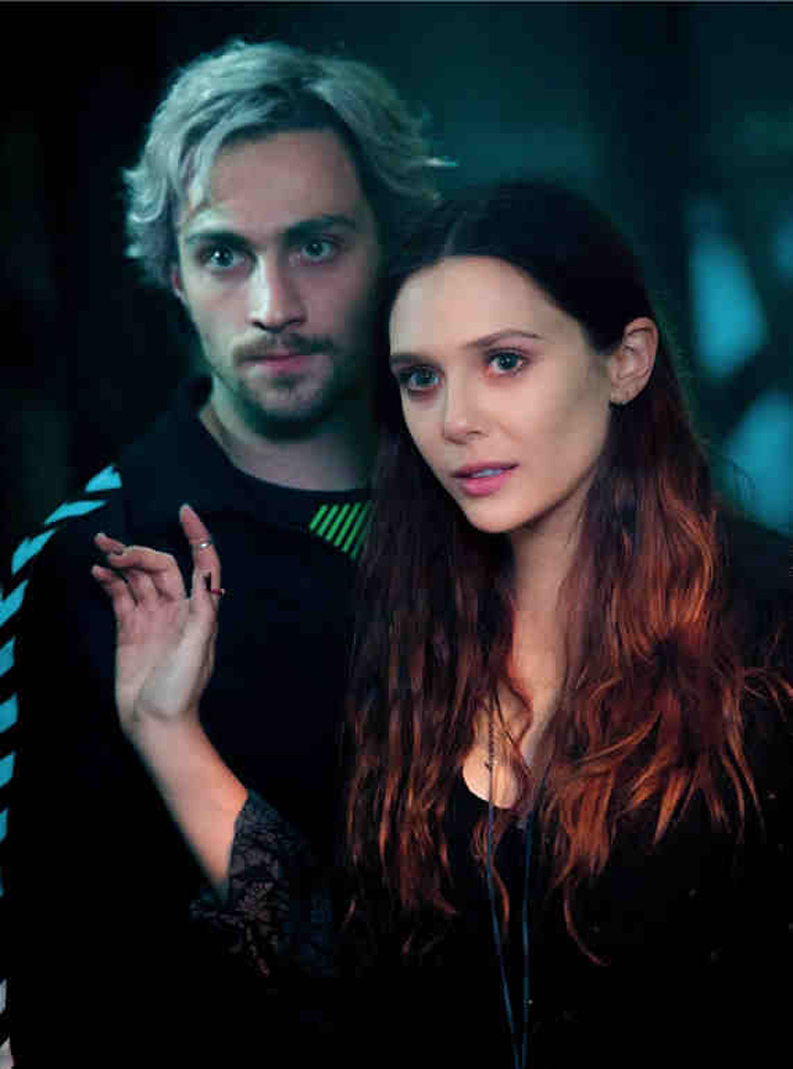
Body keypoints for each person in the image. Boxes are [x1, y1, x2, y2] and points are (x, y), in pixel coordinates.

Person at [92, 181, 791, 1068]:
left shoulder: (768, 624)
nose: (455, 421)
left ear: (625, 361)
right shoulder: (407, 637)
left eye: (503, 360)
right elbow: (355, 987)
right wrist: (165, 726)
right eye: (420, 378)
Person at [2, 38, 445, 1067]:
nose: (272, 306)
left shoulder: (491, 511)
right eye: (223, 255)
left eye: (316, 245)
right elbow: (43, 973)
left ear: (391, 246)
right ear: (172, 270)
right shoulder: (88, 565)